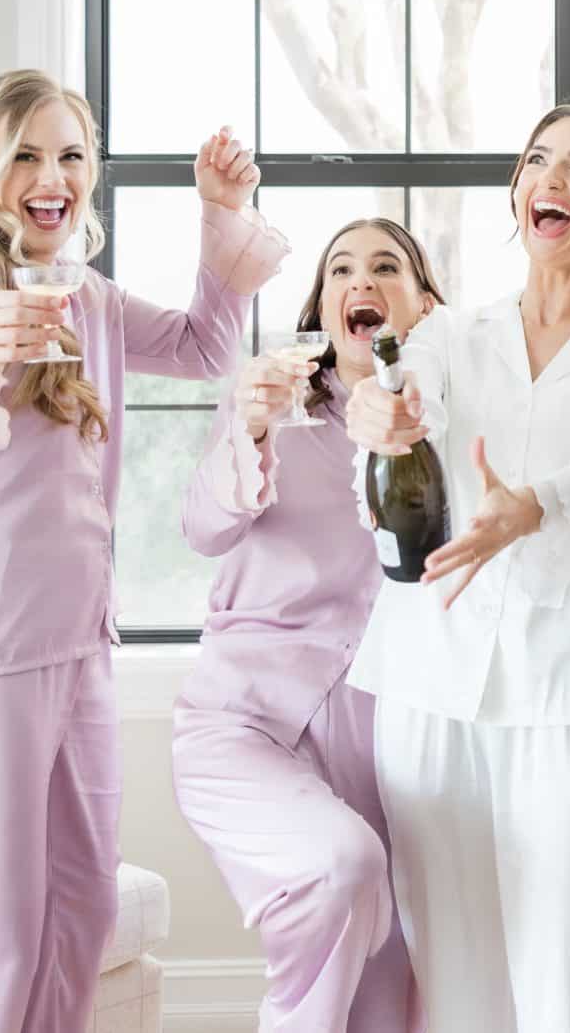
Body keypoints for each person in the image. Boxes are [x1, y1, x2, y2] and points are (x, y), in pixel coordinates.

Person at [0, 69, 282, 1030]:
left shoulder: (86, 296)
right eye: (26, 154)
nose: (51, 176)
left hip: (73, 650)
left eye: (70, 156)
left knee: (80, 912)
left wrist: (221, 215)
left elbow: (198, 347)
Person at [343, 104, 570, 1033]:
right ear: (516, 191)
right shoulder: (451, 334)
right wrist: (377, 422)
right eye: (535, 160)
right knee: (456, 985)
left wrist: (535, 502)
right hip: (430, 689)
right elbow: (396, 402)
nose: (549, 177)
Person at [172, 218, 444, 1033]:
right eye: (341, 271)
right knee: (340, 865)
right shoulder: (275, 403)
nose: (361, 281)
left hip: (381, 748)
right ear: (324, 308)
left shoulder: (448, 425)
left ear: (425, 307)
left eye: (386, 266)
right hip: (242, 724)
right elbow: (200, 528)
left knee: (390, 991)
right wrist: (248, 427)